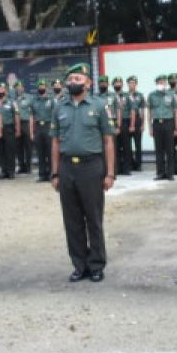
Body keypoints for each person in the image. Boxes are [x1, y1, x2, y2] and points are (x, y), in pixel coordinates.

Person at [52, 63, 116, 282]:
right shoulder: (60, 107)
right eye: (70, 79)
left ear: (88, 83)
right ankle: (79, 265)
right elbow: (55, 141)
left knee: (93, 218)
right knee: (72, 220)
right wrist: (55, 172)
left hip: (92, 167)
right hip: (67, 167)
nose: (73, 83)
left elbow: (108, 140)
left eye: (78, 79)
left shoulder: (100, 106)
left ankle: (96, 264)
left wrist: (110, 173)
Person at [148, 74, 177, 179]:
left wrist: (176, 127)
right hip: (156, 123)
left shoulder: (171, 95)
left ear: (166, 83)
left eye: (163, 82)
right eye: (159, 82)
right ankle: (160, 173)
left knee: (170, 149)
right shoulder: (152, 95)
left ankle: (170, 173)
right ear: (156, 84)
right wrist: (150, 127)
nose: (161, 84)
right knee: (158, 149)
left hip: (168, 123)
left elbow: (175, 111)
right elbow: (150, 111)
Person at [31, 79, 55, 181]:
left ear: (46, 88)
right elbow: (31, 116)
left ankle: (51, 173)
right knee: (40, 153)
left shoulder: (51, 100)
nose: (41, 88)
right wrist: (32, 132)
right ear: (37, 88)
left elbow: (55, 115)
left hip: (48, 126)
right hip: (38, 127)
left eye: (43, 86)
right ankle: (42, 174)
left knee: (50, 152)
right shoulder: (34, 100)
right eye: (40, 87)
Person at [0, 82, 19, 178]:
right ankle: (3, 171)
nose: (0, 91)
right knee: (0, 151)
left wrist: (17, 129)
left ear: (6, 90)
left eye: (2, 89)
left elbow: (16, 115)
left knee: (10, 150)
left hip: (9, 128)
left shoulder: (12, 102)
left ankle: (11, 171)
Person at [114, 76, 133, 175]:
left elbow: (132, 109)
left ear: (122, 84)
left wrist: (132, 124)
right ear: (113, 85)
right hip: (114, 123)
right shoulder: (111, 96)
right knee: (116, 146)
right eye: (116, 83)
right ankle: (117, 168)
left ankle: (127, 169)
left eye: (119, 83)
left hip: (125, 122)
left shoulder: (127, 96)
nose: (118, 85)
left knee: (126, 146)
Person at [126, 75, 145, 171]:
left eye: (133, 83)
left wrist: (142, 124)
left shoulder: (140, 95)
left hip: (137, 120)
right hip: (127, 120)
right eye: (130, 83)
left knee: (138, 144)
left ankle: (138, 164)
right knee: (127, 144)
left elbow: (142, 110)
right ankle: (130, 163)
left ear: (136, 84)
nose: (131, 85)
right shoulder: (124, 95)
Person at [13, 80, 33, 174]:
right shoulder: (13, 99)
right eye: (17, 87)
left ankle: (28, 166)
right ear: (15, 89)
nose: (19, 89)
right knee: (18, 146)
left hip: (26, 123)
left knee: (28, 146)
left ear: (23, 88)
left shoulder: (29, 98)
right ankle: (21, 166)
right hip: (16, 124)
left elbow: (33, 112)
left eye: (20, 87)